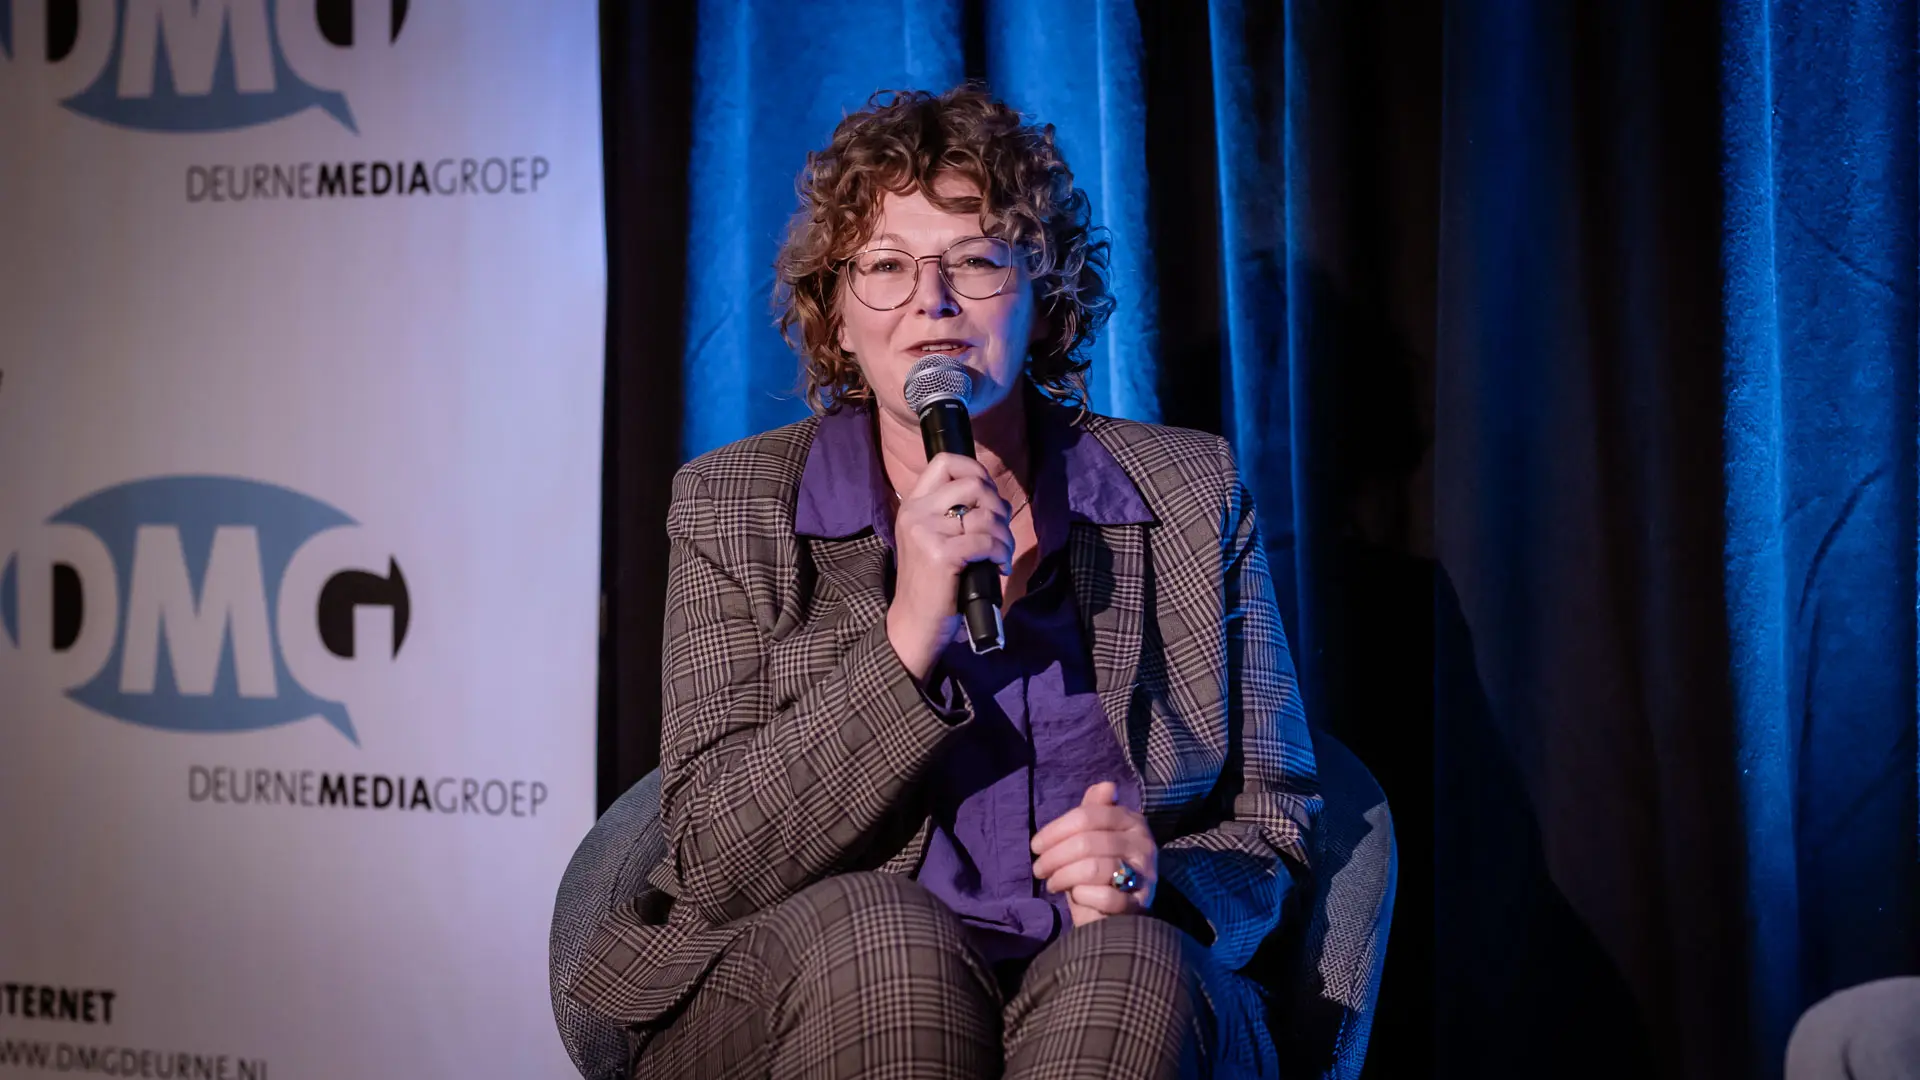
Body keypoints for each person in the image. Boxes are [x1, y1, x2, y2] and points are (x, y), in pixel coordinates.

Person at [567, 85, 1321, 1079]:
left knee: (1134, 964)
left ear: (1042, 299)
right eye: (886, 265)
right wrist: (909, 633)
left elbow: (1275, 816)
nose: (932, 302)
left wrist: (1159, 884)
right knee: (890, 943)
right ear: (837, 316)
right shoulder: (734, 507)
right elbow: (714, 858)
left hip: (1097, 985)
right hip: (814, 986)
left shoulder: (1189, 492)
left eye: (975, 260)